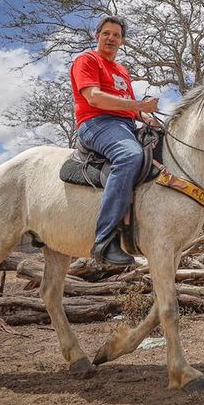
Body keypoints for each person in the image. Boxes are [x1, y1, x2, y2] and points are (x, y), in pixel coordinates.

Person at [70, 16, 159, 266]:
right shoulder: (87, 60)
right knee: (130, 155)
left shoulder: (122, 71)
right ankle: (105, 240)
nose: (111, 38)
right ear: (97, 36)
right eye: (106, 33)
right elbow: (95, 98)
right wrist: (138, 105)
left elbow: (129, 108)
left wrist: (146, 117)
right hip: (96, 123)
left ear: (122, 41)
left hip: (125, 125)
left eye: (117, 35)